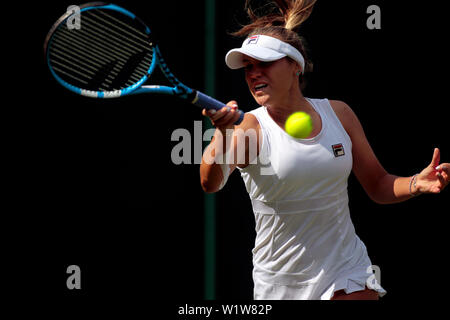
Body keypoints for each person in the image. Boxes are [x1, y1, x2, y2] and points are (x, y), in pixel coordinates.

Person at [199, 0, 449, 300]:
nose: (253, 74)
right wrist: (222, 135)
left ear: (295, 66)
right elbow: (210, 183)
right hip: (281, 281)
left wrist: (415, 183)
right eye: (248, 67)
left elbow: (379, 184)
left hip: (347, 269)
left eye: (264, 63)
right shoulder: (249, 127)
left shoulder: (339, 113)